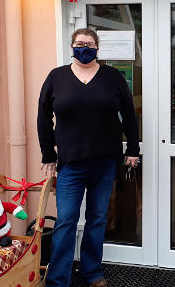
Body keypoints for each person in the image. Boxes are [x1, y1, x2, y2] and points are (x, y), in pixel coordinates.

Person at [38, 28, 140, 287]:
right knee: (66, 220)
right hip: (71, 164)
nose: (84, 47)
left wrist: (133, 149)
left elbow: (129, 114)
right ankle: (58, 279)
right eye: (79, 43)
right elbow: (43, 117)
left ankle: (91, 272)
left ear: (98, 48)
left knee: (97, 219)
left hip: (105, 162)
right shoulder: (56, 77)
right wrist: (48, 155)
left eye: (90, 43)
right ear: (72, 46)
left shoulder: (112, 77)